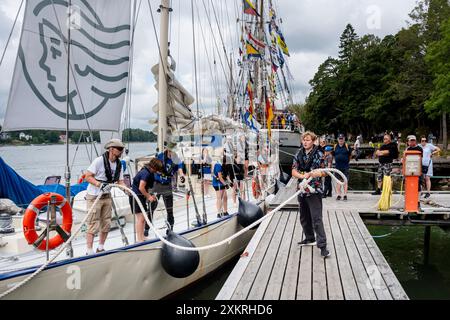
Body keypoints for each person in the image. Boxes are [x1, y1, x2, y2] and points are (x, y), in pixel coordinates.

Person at [84, 139, 126, 255]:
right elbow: (87, 176)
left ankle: (101, 247)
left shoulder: (119, 164)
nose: (121, 151)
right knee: (93, 223)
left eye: (122, 149)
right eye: (119, 149)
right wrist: (99, 184)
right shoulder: (99, 161)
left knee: (106, 223)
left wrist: (126, 189)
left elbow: (120, 181)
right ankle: (89, 250)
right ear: (111, 149)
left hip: (107, 196)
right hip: (94, 196)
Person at [292, 131, 330, 258]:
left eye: (308, 140)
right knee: (304, 217)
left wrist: (316, 174)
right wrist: (303, 176)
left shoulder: (319, 154)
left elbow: (325, 172)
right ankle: (309, 238)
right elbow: (293, 171)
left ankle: (323, 246)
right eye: (304, 140)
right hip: (302, 189)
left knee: (316, 219)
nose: (305, 142)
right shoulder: (298, 153)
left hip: (314, 190)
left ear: (313, 141)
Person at [151, 142, 185, 231]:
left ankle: (170, 229)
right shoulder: (160, 156)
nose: (173, 153)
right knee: (152, 206)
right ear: (168, 150)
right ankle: (147, 228)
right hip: (157, 184)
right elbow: (153, 167)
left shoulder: (176, 159)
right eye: (171, 151)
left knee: (169, 209)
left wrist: (181, 176)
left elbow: (180, 169)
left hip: (167, 185)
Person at [129, 158, 163, 242]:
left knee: (143, 218)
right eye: (157, 170)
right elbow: (141, 187)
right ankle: (139, 239)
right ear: (154, 168)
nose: (157, 172)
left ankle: (142, 237)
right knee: (141, 219)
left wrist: (150, 195)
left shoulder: (148, 171)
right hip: (136, 197)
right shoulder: (145, 173)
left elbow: (145, 188)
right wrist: (149, 197)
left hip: (140, 197)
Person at [333, 134, 352, 201]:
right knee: (338, 181)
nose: (341, 140)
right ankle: (338, 195)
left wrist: (346, 161)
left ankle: (345, 195)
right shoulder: (335, 146)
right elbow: (333, 155)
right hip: (337, 166)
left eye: (342, 138)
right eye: (340, 138)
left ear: (344, 139)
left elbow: (350, 156)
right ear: (338, 139)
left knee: (345, 181)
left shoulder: (347, 146)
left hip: (345, 166)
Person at [212, 153, 230, 218]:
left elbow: (226, 175)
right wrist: (225, 184)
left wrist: (228, 182)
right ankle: (219, 213)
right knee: (219, 198)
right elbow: (220, 177)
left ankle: (225, 211)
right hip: (217, 183)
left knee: (225, 197)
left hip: (222, 182)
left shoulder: (224, 165)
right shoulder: (218, 165)